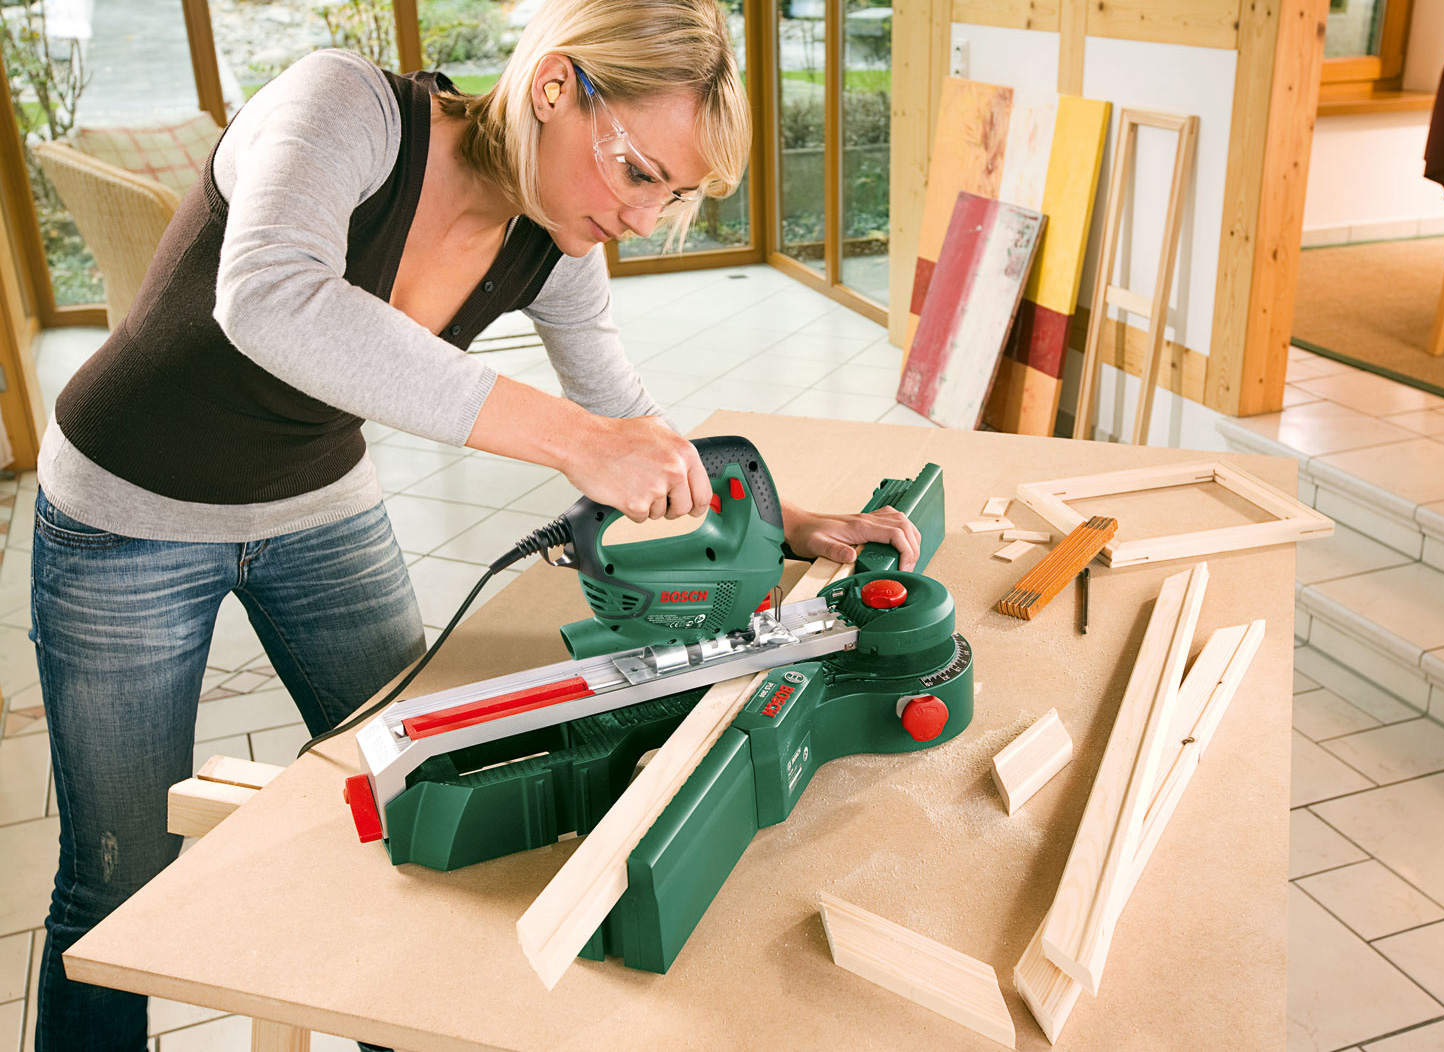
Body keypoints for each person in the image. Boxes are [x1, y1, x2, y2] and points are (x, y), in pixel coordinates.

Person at [30, 1, 920, 1048]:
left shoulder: (557, 240)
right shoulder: (344, 107)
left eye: (672, 198)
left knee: (420, 775)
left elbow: (626, 415)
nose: (642, 218)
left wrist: (776, 519)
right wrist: (570, 441)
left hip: (316, 503)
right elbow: (268, 298)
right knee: (120, 873)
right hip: (125, 514)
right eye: (639, 174)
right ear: (554, 87)